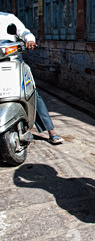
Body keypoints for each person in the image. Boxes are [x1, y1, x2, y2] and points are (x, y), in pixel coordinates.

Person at [0, 12, 64, 145]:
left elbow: (24, 32)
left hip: (13, 63)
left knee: (32, 94)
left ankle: (50, 130)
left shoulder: (7, 18)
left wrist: (29, 40)